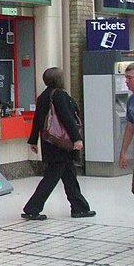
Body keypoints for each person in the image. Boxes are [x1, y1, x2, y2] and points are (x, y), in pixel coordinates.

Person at [22, 67, 95, 220]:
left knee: (69, 177)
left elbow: (38, 120)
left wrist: (33, 140)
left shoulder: (43, 96)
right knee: (51, 178)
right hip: (62, 144)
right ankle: (32, 208)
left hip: (50, 142)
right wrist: (77, 139)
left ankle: (79, 207)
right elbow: (68, 119)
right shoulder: (60, 95)